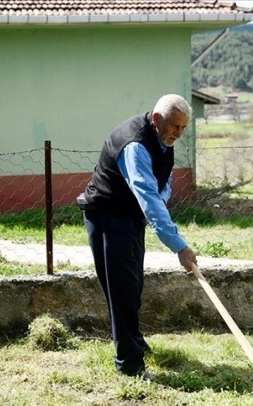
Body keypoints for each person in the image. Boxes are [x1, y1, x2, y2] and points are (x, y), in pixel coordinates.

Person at [79, 94, 198, 380]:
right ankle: (130, 366)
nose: (178, 134)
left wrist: (159, 199)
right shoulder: (135, 145)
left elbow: (162, 184)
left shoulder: (163, 140)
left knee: (133, 284)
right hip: (107, 215)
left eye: (183, 128)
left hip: (130, 216)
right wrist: (178, 246)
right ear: (157, 119)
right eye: (174, 127)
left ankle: (135, 341)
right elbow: (148, 196)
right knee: (120, 290)